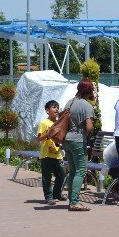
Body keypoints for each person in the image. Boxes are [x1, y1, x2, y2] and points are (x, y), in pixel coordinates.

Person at [62, 79, 96, 211]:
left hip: (67, 140)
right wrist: (92, 125)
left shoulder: (70, 102)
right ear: (89, 91)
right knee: (81, 170)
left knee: (73, 171)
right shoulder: (86, 106)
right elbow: (88, 127)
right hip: (77, 140)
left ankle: (72, 199)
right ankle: (75, 202)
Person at [35, 100, 66, 206]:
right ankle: (48, 197)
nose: (56, 109)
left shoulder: (59, 123)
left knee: (62, 175)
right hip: (46, 154)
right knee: (47, 177)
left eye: (57, 107)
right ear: (47, 110)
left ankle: (56, 193)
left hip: (57, 154)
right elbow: (38, 139)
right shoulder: (44, 123)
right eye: (53, 107)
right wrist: (48, 135)